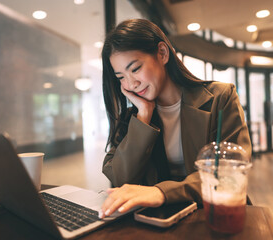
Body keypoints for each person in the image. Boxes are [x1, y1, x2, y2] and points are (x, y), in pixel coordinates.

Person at [99, 19, 252, 218]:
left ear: (162, 53)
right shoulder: (134, 118)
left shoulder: (220, 97)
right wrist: (144, 115)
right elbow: (121, 178)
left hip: (216, 213)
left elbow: (228, 173)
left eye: (135, 69)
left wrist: (161, 192)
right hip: (160, 218)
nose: (131, 83)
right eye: (121, 77)